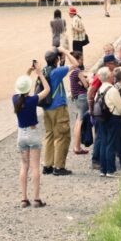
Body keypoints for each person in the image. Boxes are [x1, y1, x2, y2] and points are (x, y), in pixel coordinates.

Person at [14, 67, 51, 208]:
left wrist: (27, 72)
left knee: (24, 166)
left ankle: (23, 198)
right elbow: (46, 89)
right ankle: (36, 198)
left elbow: (21, 87)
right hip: (33, 133)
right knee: (35, 167)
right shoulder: (33, 100)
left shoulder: (15, 99)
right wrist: (40, 74)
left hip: (21, 134)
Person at [42, 47, 77, 176]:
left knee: (50, 135)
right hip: (58, 107)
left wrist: (60, 60)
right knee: (62, 136)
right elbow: (75, 64)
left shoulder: (44, 70)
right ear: (56, 59)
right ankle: (59, 166)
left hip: (47, 108)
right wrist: (66, 52)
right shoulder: (56, 72)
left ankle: (48, 165)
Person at [94, 67, 121, 178]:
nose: (113, 76)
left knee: (104, 143)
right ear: (108, 77)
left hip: (102, 118)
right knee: (111, 144)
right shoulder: (112, 90)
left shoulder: (99, 89)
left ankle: (103, 169)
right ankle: (111, 170)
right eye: (111, 75)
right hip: (113, 118)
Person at [68, 52, 90, 155]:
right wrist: (86, 80)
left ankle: (76, 146)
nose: (82, 61)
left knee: (78, 121)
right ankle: (77, 147)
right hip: (82, 97)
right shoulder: (78, 71)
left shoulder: (72, 73)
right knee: (80, 121)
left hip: (77, 98)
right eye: (81, 59)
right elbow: (86, 85)